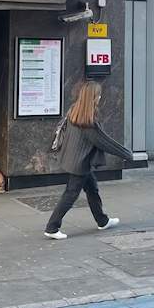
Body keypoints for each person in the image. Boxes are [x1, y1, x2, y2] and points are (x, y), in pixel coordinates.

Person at [44, 81, 134, 240]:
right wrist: (126, 153)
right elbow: (104, 142)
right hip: (80, 163)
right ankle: (52, 227)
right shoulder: (88, 121)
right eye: (98, 95)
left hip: (74, 159)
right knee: (70, 194)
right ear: (92, 98)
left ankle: (102, 220)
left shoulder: (75, 111)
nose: (100, 97)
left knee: (92, 189)